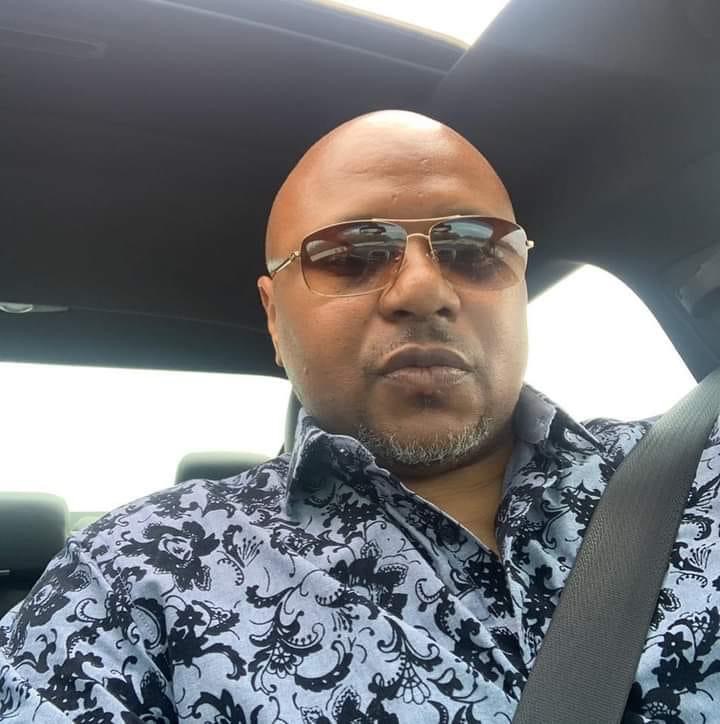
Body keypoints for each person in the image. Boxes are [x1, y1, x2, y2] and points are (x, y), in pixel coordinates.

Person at [1, 111, 719, 723]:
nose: (424, 291)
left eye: (474, 248)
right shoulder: (129, 576)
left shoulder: (701, 475)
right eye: (350, 257)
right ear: (274, 318)